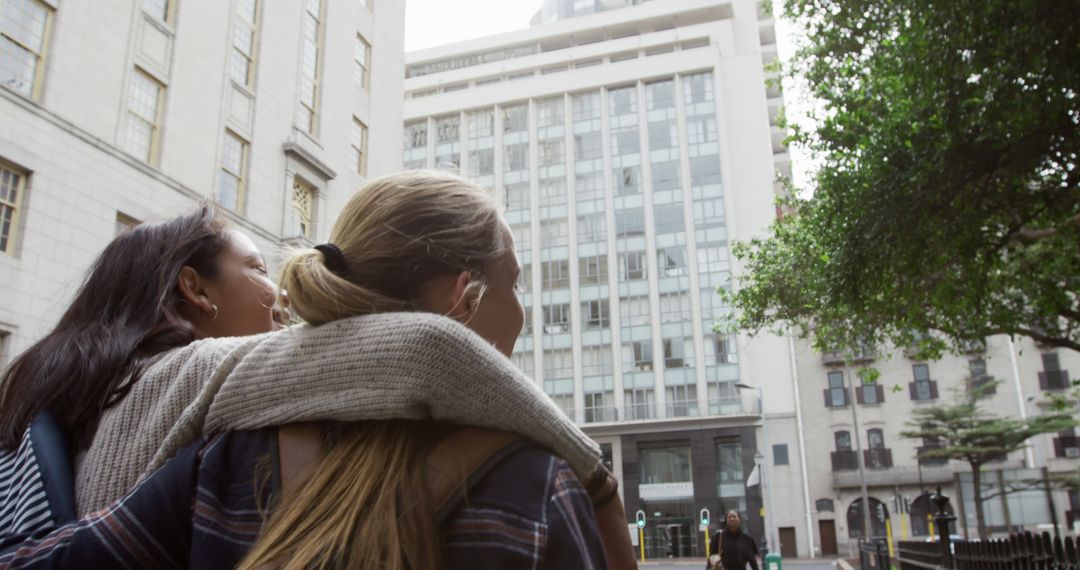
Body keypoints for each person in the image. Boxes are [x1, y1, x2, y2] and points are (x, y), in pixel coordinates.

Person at [0, 170, 620, 568]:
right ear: (465, 295)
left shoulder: (219, 462)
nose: (279, 295)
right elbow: (426, 352)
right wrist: (592, 473)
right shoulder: (533, 490)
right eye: (514, 285)